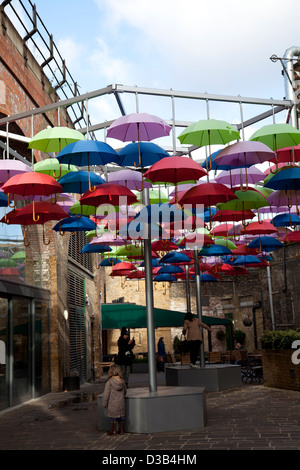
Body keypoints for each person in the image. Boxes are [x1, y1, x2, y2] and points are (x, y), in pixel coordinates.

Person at [102, 364, 127, 435]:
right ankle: (121, 430)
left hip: (113, 403)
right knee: (121, 417)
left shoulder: (109, 382)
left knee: (113, 417)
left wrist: (104, 404)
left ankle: (114, 430)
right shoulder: (122, 381)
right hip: (121, 403)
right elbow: (125, 391)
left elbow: (106, 394)